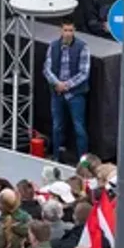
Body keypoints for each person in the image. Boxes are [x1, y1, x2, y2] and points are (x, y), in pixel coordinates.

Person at [43, 19, 91, 163]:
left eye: (71, 30)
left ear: (74, 31)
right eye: (65, 30)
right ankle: (56, 157)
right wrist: (57, 83)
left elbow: (84, 73)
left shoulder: (83, 47)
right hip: (57, 93)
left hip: (75, 94)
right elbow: (47, 69)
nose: (68, 33)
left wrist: (67, 85)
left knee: (79, 128)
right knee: (57, 126)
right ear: (61, 31)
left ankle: (83, 161)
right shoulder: (53, 46)